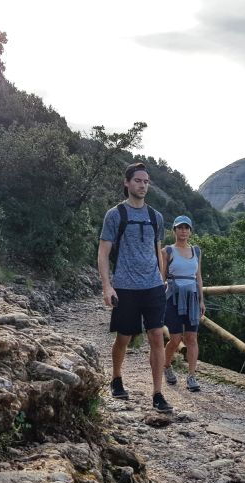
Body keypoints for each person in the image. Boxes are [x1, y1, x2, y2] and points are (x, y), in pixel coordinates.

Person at [97, 162, 173, 413]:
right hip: (126, 287)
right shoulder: (115, 215)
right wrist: (108, 286)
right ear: (127, 183)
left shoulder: (156, 217)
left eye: (146, 181)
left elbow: (158, 250)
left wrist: (162, 280)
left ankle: (158, 393)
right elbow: (104, 251)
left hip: (152, 287)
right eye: (138, 180)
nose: (142, 185)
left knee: (156, 338)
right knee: (124, 337)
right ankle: (117, 377)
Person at [161, 216, 205, 392]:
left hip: (192, 298)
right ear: (174, 230)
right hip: (173, 297)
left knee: (192, 338)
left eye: (186, 228)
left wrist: (202, 300)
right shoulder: (167, 251)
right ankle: (166, 366)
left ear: (190, 231)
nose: (183, 231)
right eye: (180, 228)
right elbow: (162, 276)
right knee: (176, 339)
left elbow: (199, 277)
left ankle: (191, 376)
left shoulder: (196, 251)